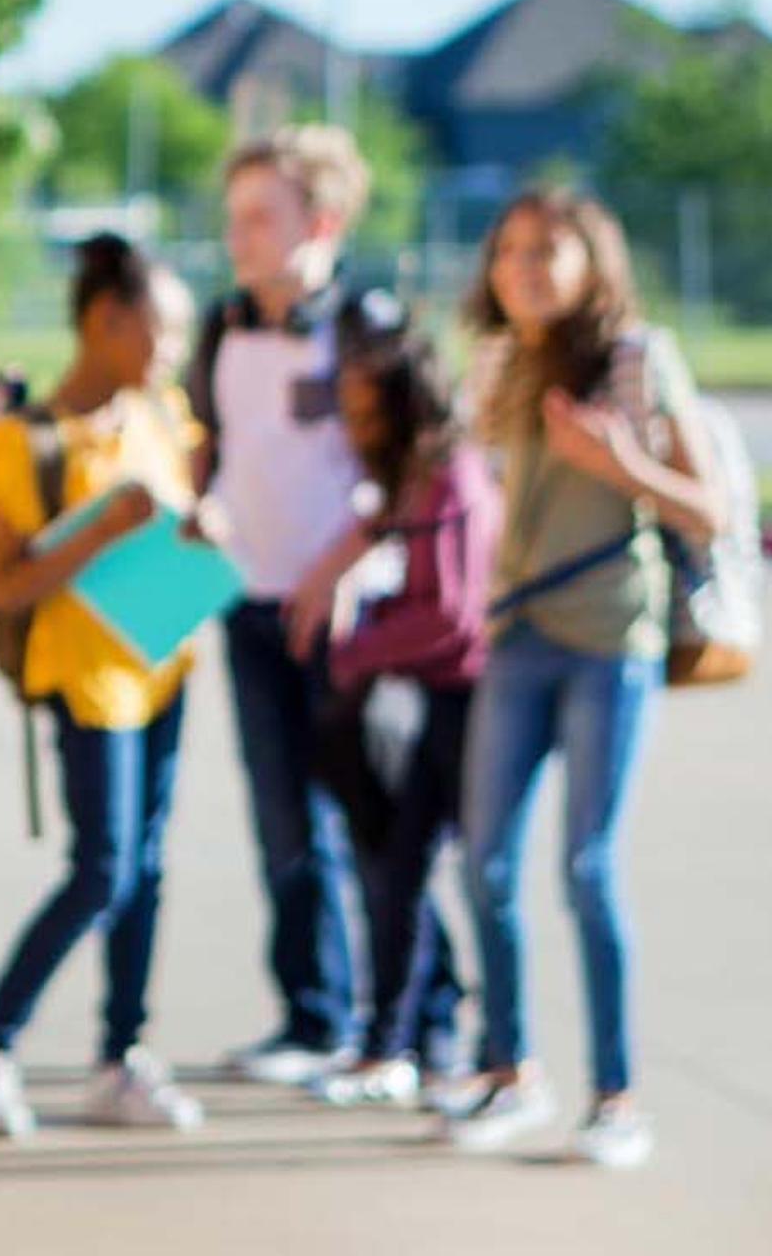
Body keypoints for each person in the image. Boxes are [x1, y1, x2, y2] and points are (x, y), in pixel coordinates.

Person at [438, 185, 716, 1169]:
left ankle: (617, 1094)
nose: (526, 267)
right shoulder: (495, 362)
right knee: (486, 863)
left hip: (610, 636)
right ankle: (510, 1068)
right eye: (511, 249)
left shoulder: (640, 359)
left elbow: (707, 506)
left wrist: (621, 460)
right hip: (515, 635)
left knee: (586, 868)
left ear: (594, 261)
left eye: (550, 250)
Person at [186, 125, 463, 1087]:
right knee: (283, 828)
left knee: (380, 825)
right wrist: (203, 508)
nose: (242, 235)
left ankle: (430, 1019)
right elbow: (211, 444)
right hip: (248, 605)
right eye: (235, 217)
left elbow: (420, 470)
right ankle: (313, 1015)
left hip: (354, 621)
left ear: (326, 222)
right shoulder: (221, 326)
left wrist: (340, 567)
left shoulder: (368, 327)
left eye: (263, 216)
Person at [0, 235, 212, 1141]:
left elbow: (182, 513)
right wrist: (96, 533)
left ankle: (120, 1056)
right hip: (86, 678)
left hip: (162, 659)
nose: (172, 351)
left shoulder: (160, 414)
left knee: (147, 866)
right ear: (106, 320)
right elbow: (3, 586)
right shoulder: (19, 446)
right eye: (162, 330)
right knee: (103, 868)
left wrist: (201, 529)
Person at [286, 328, 497, 1113]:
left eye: (368, 411)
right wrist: (325, 584)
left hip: (468, 702)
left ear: (409, 406)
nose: (353, 427)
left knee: (467, 876)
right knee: (397, 870)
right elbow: (370, 535)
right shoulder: (413, 482)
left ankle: (472, 1051)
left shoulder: (454, 481)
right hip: (426, 698)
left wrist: (358, 650)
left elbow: (451, 614)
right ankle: (399, 1043)